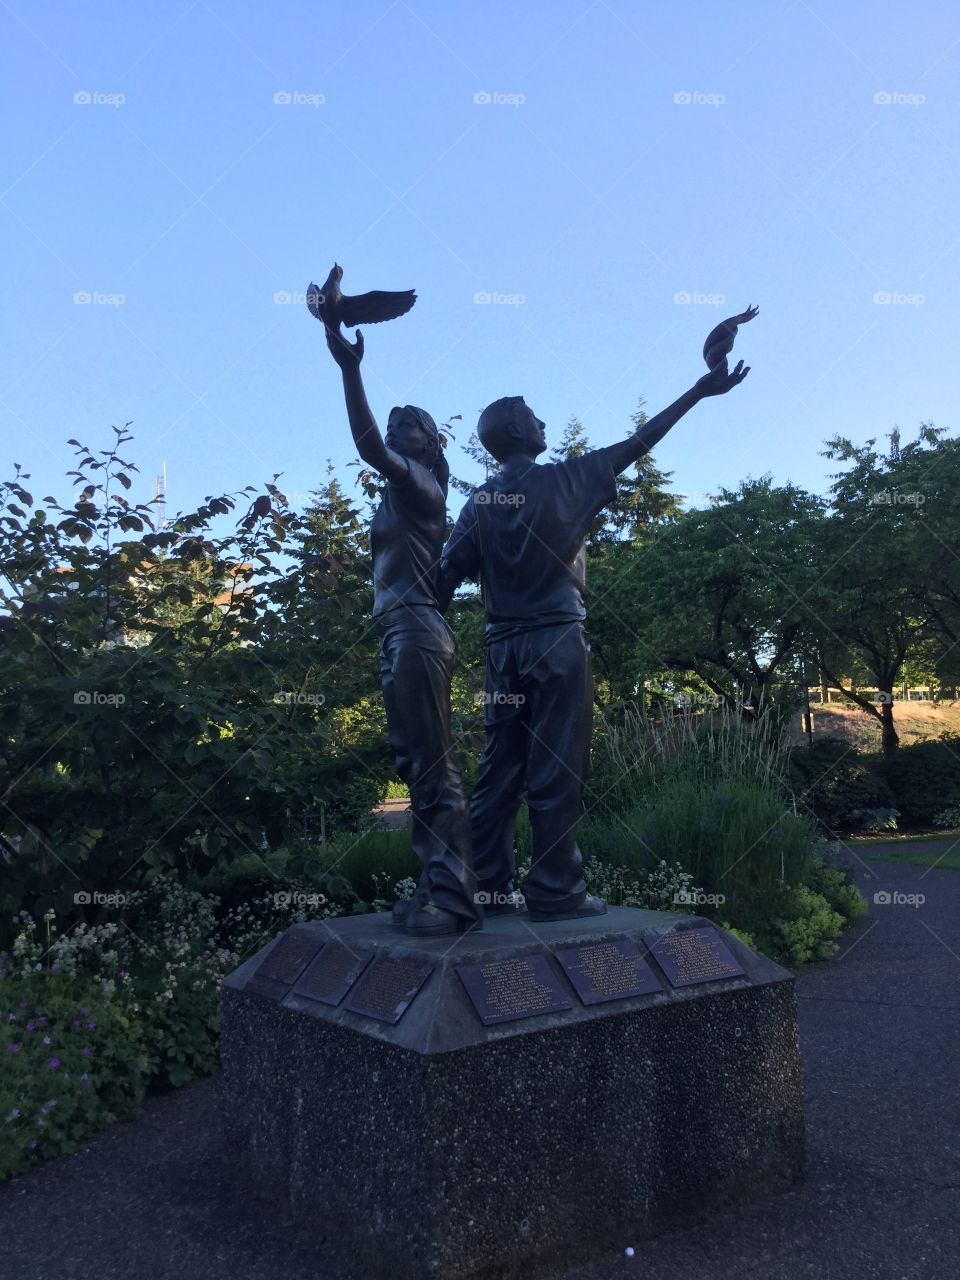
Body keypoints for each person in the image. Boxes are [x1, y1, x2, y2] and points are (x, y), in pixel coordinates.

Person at [438, 355, 750, 922]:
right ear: (515, 433)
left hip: (501, 652)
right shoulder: (565, 480)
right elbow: (639, 442)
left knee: (499, 768)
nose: (544, 425)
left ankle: (483, 887)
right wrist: (699, 391)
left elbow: (442, 577)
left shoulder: (479, 502)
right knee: (557, 765)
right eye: (533, 418)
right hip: (556, 643)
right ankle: (556, 890)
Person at [325, 324, 481, 936]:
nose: (394, 435)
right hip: (395, 632)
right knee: (416, 766)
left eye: (407, 429)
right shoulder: (397, 495)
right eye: (393, 429)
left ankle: (454, 896)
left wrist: (349, 370)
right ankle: (433, 885)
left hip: (417, 631)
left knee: (436, 767)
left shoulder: (421, 486)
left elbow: (367, 447)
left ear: (431, 444)